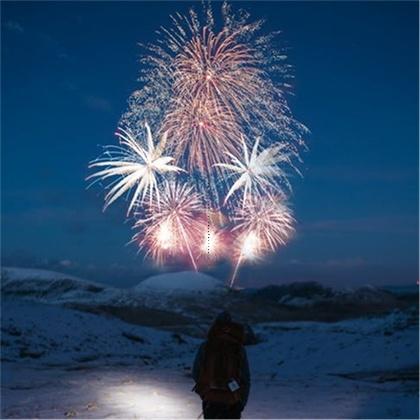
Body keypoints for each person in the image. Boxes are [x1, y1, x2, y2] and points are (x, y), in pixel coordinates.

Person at [192, 311, 250, 419]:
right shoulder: (238, 348)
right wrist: (241, 401)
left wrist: (205, 391)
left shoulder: (206, 346)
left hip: (210, 399)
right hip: (232, 400)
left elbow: (196, 372)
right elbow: (245, 378)